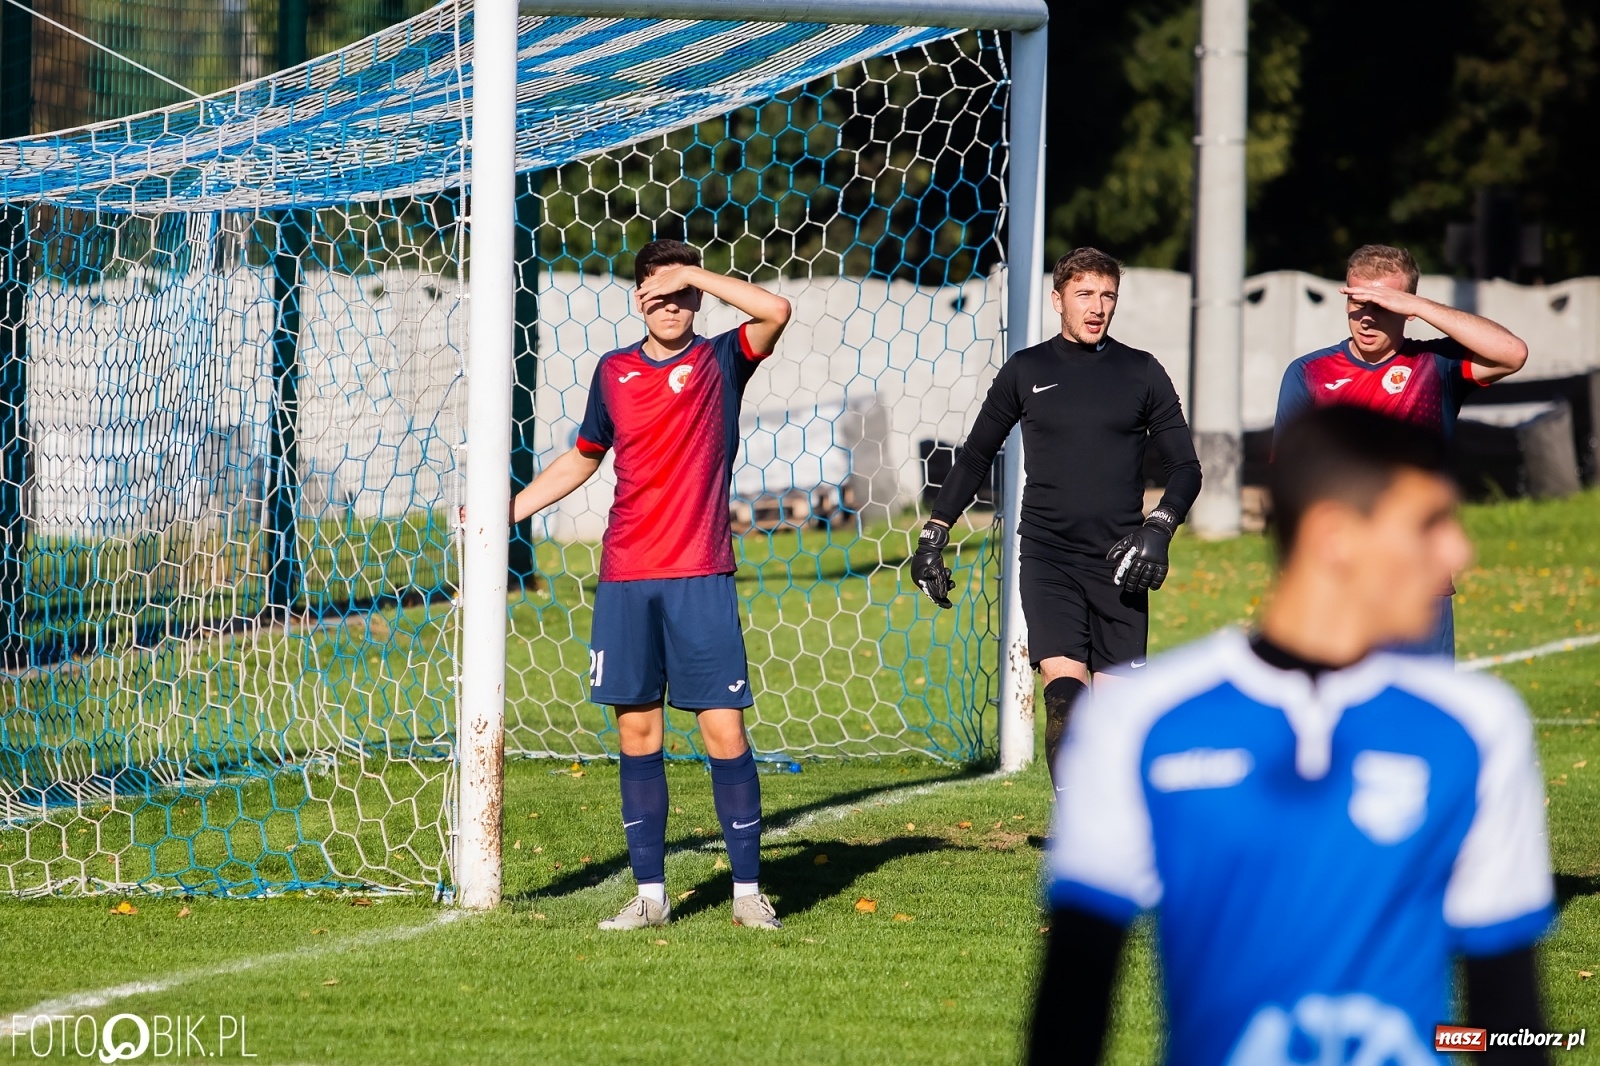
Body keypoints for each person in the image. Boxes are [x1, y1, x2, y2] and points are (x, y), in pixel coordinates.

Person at [1030, 406, 1554, 1066]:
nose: (1458, 553)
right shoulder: (1140, 722)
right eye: (1429, 524)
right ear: (1336, 537)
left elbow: (1511, 1026)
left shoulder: (1478, 727)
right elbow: (1070, 1015)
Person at [505, 238, 792, 931]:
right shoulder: (613, 372)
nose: (672, 306)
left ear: (697, 296)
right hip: (627, 574)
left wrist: (694, 272)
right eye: (659, 294)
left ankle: (747, 893)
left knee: (723, 729)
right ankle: (651, 896)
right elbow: (583, 458)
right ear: (639, 301)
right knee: (637, 731)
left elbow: (775, 310)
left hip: (700, 573)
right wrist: (506, 510)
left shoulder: (720, 361)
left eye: (683, 294)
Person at [911, 247, 1202, 781]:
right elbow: (975, 456)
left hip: (1121, 564)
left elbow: (1186, 468)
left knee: (1114, 725)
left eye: (1108, 295)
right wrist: (935, 533)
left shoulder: (1142, 371)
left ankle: (1110, 818)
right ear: (1057, 300)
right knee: (1066, 702)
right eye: (1084, 294)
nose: (1097, 307)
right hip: (1049, 558)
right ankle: (1075, 821)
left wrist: (1159, 527)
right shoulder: (1027, 370)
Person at [1273, 243, 1529, 658]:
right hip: (1344, 582)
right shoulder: (1309, 373)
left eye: (1383, 305)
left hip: (1420, 583)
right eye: (1358, 303)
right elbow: (1291, 477)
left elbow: (1512, 353)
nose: (1367, 317)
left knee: (1421, 699)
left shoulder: (1436, 365)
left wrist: (1420, 306)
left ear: (1407, 308)